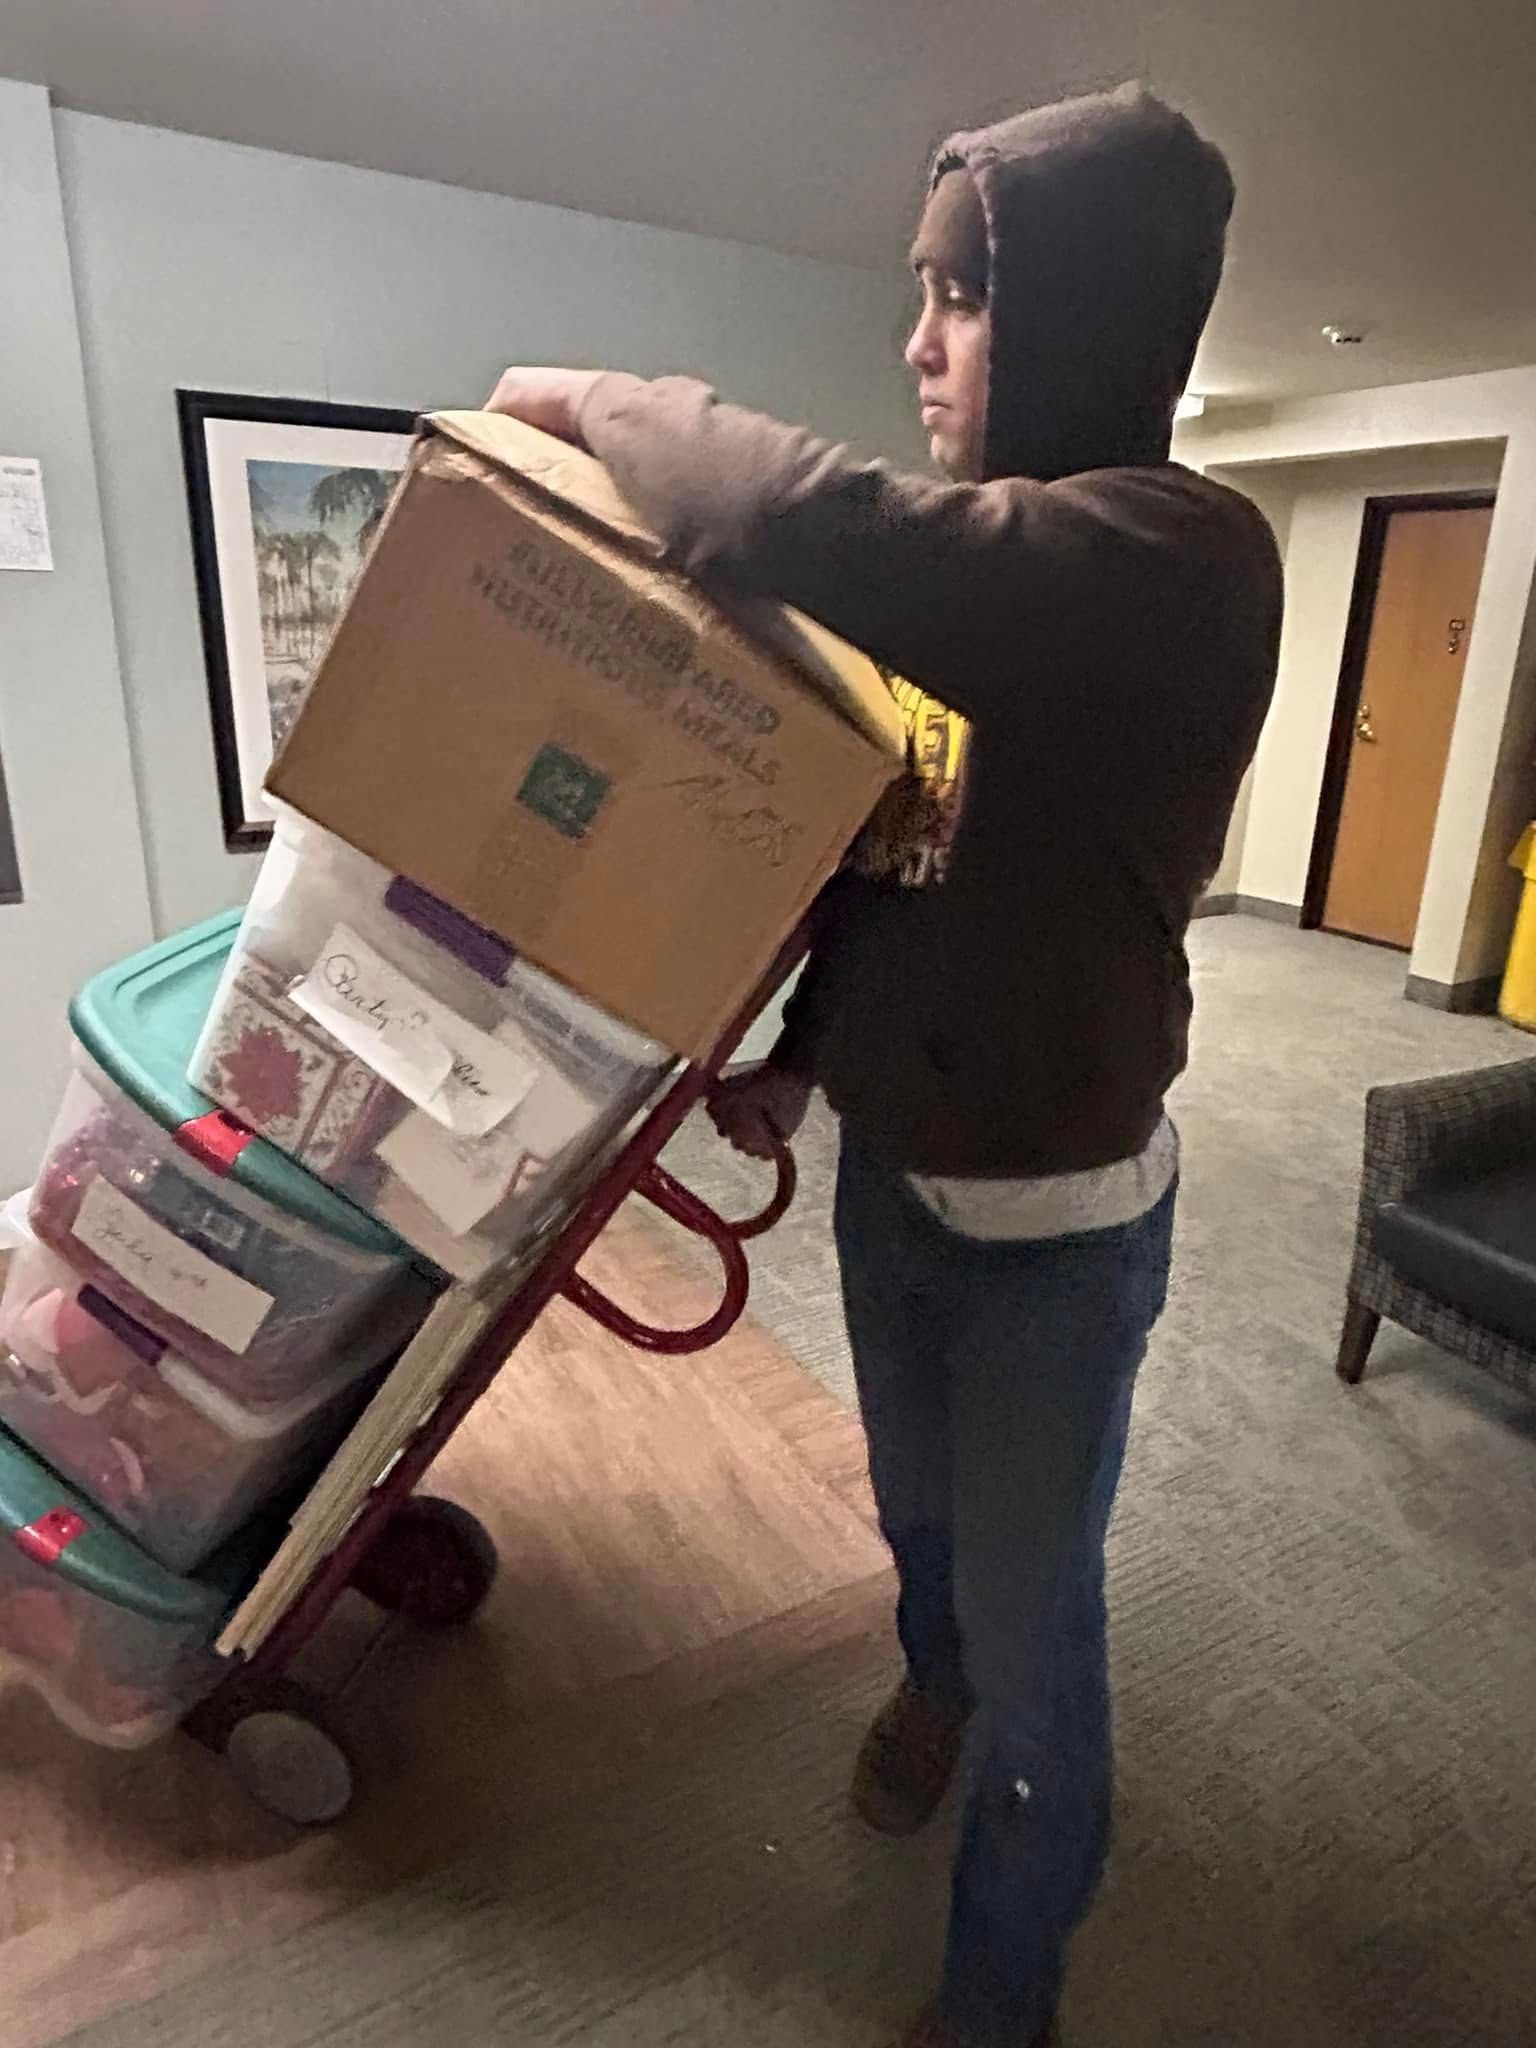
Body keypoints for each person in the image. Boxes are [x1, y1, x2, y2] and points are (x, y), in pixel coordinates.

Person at [486, 81, 1282, 2048]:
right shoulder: (975, 599)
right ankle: (927, 1679)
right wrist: (800, 1056)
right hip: (894, 1176)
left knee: (1041, 1637)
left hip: (1057, 1233)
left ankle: (1003, 2001)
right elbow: (899, 854)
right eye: (918, 295)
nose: (918, 342)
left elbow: (798, 517)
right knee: (916, 1528)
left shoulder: (1182, 552)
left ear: (1088, 313)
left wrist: (588, 393)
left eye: (965, 296)